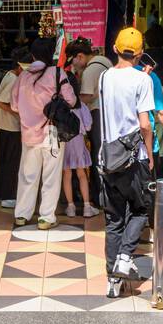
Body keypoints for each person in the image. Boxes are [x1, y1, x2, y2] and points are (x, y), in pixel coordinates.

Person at [97, 26, 155, 293]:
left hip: (109, 158)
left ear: (115, 49)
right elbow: (145, 123)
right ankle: (124, 257)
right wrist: (150, 152)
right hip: (135, 158)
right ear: (141, 53)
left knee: (114, 219)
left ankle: (113, 279)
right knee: (141, 209)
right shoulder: (143, 81)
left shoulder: (104, 77)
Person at [11, 38, 77, 230]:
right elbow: (71, 100)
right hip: (52, 133)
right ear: (52, 55)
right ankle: (46, 218)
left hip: (28, 134)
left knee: (27, 176)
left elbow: (14, 105)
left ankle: (22, 215)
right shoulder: (57, 73)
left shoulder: (22, 76)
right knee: (51, 176)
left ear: (32, 55)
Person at [61, 38, 100, 218]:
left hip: (64, 145)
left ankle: (69, 206)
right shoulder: (81, 106)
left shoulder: (61, 107)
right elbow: (88, 125)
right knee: (82, 174)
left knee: (66, 175)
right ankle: (86, 206)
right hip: (78, 145)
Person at [0, 46, 30, 209]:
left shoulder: (12, 76)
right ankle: (8, 195)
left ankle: (8, 194)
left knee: (10, 160)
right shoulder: (13, 79)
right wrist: (19, 113)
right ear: (20, 66)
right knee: (11, 161)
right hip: (10, 127)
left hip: (9, 126)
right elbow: (0, 102)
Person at [79, 44, 113, 199]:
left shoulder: (89, 71)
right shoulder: (105, 62)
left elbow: (86, 96)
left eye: (72, 61)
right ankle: (108, 193)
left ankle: (99, 194)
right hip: (109, 112)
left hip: (97, 114)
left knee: (96, 153)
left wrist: (72, 102)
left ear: (80, 56)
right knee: (106, 152)